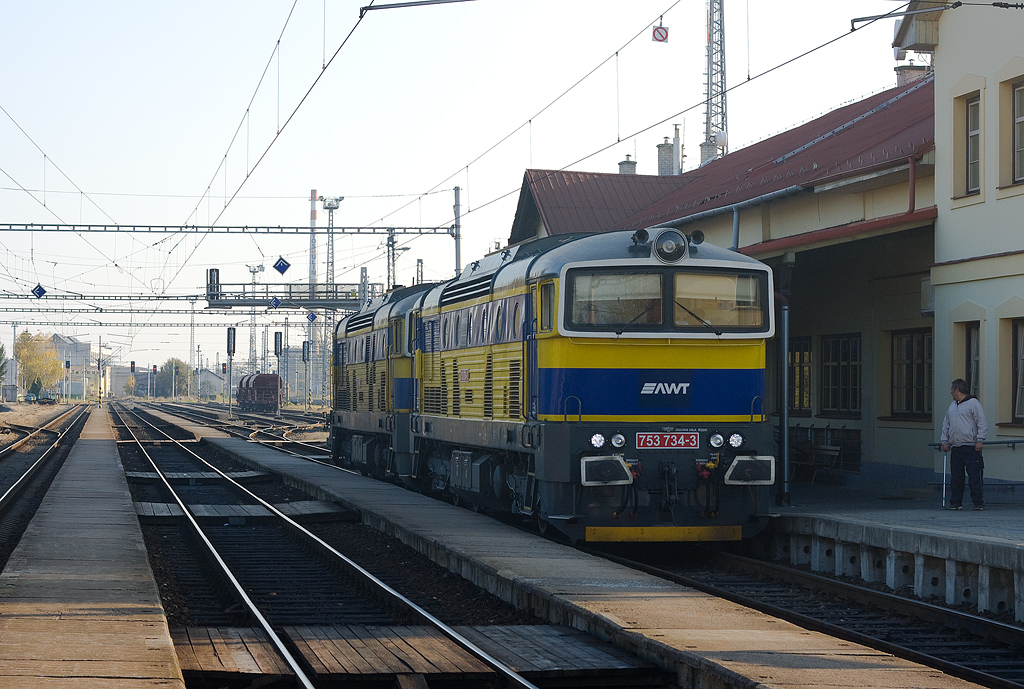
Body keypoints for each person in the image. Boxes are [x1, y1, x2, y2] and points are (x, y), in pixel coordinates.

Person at [940, 379, 988, 510]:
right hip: (956, 446)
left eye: (952, 390)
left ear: (957, 390)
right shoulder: (952, 406)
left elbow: (982, 422)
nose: (950, 392)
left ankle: (978, 502)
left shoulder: (973, 403)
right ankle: (956, 502)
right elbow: (946, 425)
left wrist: (980, 439)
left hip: (971, 446)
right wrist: (944, 441)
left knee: (975, 477)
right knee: (956, 477)